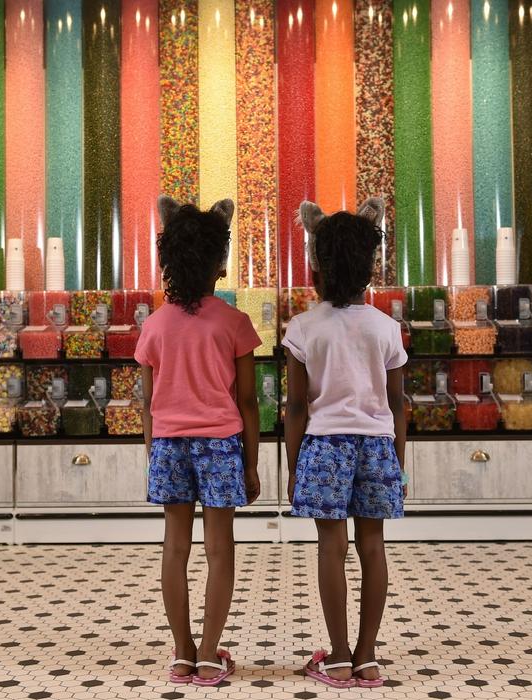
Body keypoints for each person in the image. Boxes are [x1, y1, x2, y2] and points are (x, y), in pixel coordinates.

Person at [134, 195, 262, 687]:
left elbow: (147, 403)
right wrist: (251, 465)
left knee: (175, 549)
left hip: (169, 445)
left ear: (168, 262)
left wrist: (154, 453)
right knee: (219, 550)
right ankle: (210, 654)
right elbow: (247, 402)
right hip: (220, 445)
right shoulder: (234, 323)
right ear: (219, 263)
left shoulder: (154, 325)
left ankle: (183, 653)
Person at [282, 197, 408, 689]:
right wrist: (398, 464)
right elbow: (397, 405)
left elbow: (296, 407)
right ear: (369, 267)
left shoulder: (304, 328)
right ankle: (367, 657)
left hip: (324, 447)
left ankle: (336, 657)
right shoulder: (386, 327)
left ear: (317, 265)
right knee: (373, 547)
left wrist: (294, 465)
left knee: (330, 549)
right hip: (377, 446)